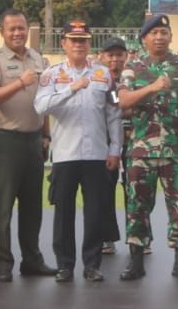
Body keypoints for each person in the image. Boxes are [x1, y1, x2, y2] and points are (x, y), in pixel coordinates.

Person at [117, 14, 178, 281]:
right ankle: (136, 261)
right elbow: (123, 101)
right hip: (141, 151)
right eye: (154, 33)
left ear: (170, 37)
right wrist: (153, 87)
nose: (159, 37)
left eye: (164, 32)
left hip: (176, 151)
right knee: (137, 206)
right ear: (144, 38)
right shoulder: (132, 68)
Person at [34, 21, 121, 283]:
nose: (79, 45)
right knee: (64, 213)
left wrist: (115, 148)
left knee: (95, 211)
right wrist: (70, 89)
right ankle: (64, 265)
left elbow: (114, 113)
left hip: (96, 153)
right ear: (64, 44)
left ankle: (93, 264)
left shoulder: (104, 74)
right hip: (65, 154)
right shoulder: (51, 75)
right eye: (74, 40)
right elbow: (40, 107)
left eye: (83, 40)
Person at [0, 9, 55, 282]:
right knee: (3, 205)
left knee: (33, 205)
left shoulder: (38, 58)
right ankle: (2, 262)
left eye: (21, 28)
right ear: (2, 32)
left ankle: (32, 259)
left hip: (33, 140)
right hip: (5, 141)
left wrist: (46, 135)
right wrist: (20, 83)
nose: (18, 33)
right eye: (12, 29)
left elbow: (43, 100)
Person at [94, 36, 131, 255]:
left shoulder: (133, 78)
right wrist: (127, 104)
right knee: (105, 190)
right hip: (106, 141)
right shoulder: (98, 79)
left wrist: (125, 105)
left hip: (136, 139)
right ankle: (107, 237)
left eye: (119, 55)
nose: (114, 60)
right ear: (102, 57)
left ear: (126, 56)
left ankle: (138, 237)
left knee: (134, 190)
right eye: (110, 55)